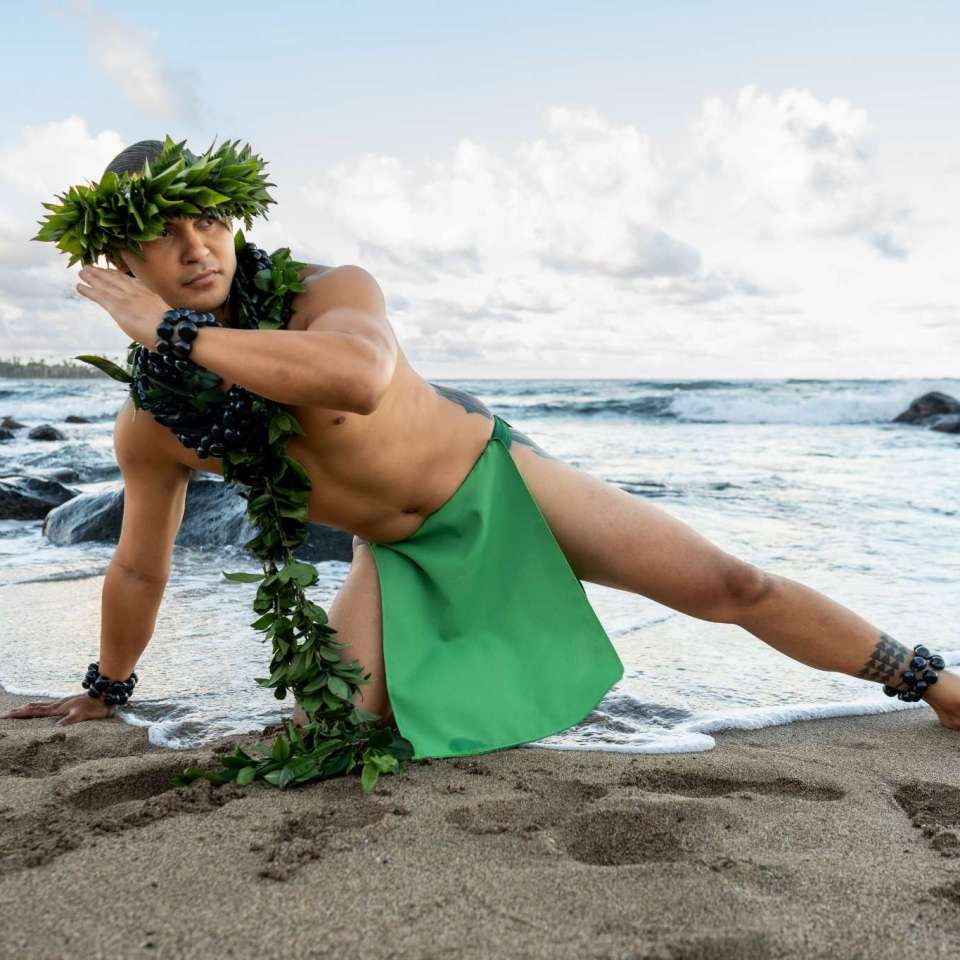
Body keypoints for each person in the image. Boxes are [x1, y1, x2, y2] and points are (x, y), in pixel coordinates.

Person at [3, 139, 958, 748]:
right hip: (396, 552)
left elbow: (356, 377)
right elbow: (138, 566)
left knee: (730, 585)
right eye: (163, 237)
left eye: (208, 220)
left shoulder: (325, 290)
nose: (196, 246)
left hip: (490, 479)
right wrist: (106, 690)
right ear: (120, 266)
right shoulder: (155, 424)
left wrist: (166, 330)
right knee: (325, 736)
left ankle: (937, 684)